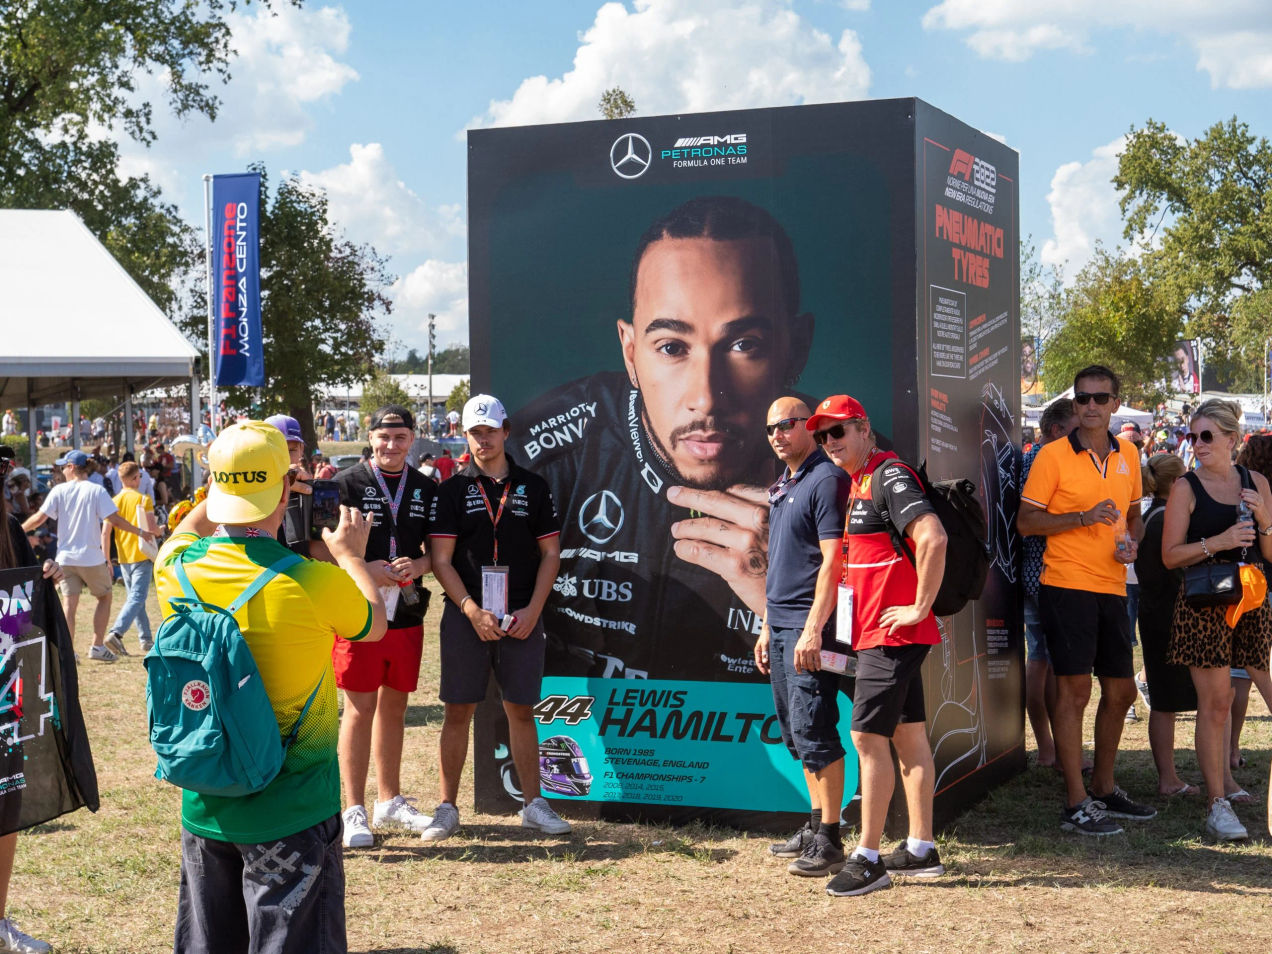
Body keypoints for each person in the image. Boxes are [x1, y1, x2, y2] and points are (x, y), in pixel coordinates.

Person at [512, 195, 813, 680]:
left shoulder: (849, 467)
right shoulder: (547, 455)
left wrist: (796, 592)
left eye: (744, 345)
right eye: (672, 347)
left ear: (795, 347)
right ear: (630, 352)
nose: (706, 398)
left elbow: (889, 686)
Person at [154, 420, 387, 954]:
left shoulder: (177, 567)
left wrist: (232, 487)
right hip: (294, 807)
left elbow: (188, 529)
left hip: (206, 798)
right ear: (287, 487)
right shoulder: (311, 580)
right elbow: (373, 624)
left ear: (215, 487)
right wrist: (350, 555)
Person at [809, 394, 947, 897]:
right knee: (907, 739)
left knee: (867, 738)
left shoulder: (889, 475)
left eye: (839, 431)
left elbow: (932, 537)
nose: (830, 442)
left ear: (865, 429)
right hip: (876, 632)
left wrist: (918, 606)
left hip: (892, 634)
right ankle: (921, 848)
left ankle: (868, 858)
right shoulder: (860, 480)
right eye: (822, 435)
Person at [1017, 365, 1154, 836]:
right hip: (1067, 585)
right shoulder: (1052, 456)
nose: (1091, 406)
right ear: (1074, 405)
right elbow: (1027, 523)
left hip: (1114, 586)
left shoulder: (1130, 454)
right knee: (1075, 692)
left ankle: (1103, 786)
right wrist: (1081, 517)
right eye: (1083, 399)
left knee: (1122, 691)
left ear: (1116, 403)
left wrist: (1131, 541)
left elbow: (1133, 514)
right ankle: (1075, 801)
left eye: (1100, 398)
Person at [425, 394, 567, 841]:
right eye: (474, 432)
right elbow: (441, 560)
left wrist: (533, 611)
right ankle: (447, 807)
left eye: (489, 430)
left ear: (506, 430)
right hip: (467, 615)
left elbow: (551, 554)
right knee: (457, 710)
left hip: (522, 615)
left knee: (521, 710)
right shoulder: (451, 490)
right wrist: (470, 609)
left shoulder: (534, 486)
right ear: (464, 436)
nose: (482, 439)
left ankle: (533, 804)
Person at [1161, 398, 1272, 841]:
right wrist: (1218, 540)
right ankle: (1216, 803)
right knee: (1217, 702)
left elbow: (1270, 553)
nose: (1198, 444)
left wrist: (1264, 520)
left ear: (1232, 439)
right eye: (1193, 436)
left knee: (1248, 688)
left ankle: (1225, 785)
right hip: (1205, 603)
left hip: (1251, 598)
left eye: (1207, 436)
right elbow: (1170, 556)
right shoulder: (1186, 488)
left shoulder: (1257, 481)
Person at [753, 397, 851, 878]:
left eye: (787, 424)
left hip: (814, 626)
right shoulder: (785, 484)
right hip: (782, 624)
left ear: (809, 427)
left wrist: (813, 626)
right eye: (771, 427)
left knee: (815, 730)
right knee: (796, 734)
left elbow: (834, 560)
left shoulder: (826, 478)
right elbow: (781, 565)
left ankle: (831, 839)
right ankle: (815, 827)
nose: (777, 434)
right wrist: (768, 625)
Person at [331, 405, 436, 846]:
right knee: (358, 708)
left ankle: (388, 799)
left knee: (396, 707)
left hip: (407, 610)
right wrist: (364, 566)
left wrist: (420, 564)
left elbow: (439, 553)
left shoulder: (428, 487)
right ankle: (353, 809)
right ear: (369, 437)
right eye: (384, 437)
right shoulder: (345, 484)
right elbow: (328, 546)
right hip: (361, 610)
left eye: (400, 438)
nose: (391, 446)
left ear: (412, 439)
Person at [0, 466, 64, 953]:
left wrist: (42, 581)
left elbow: (19, 621)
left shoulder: (9, 533)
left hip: (6, 692)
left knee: (6, 805)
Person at [21, 450, 153, 661]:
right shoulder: (96, 490)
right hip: (91, 557)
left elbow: (38, 518)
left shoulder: (59, 491)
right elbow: (114, 520)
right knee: (104, 597)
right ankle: (97, 646)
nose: (61, 470)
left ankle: (68, 652)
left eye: (63, 466)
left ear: (72, 467)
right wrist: (140, 532)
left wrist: (17, 531)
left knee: (69, 605)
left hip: (64, 558)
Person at [1133, 454, 1200, 797]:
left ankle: (1169, 778)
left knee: (1165, 700)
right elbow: (1175, 567)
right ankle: (1168, 780)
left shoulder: (1151, 515)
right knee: (1165, 701)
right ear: (1176, 484)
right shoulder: (1162, 520)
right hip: (1169, 615)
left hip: (1157, 612)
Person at [1020, 398, 1078, 769]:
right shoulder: (1045, 460)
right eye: (1076, 430)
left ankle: (1050, 748)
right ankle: (1054, 749)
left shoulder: (1031, 459)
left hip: (1033, 571)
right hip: (1046, 572)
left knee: (1041, 658)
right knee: (1052, 663)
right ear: (1057, 430)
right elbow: (1033, 520)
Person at [101, 462, 160, 656]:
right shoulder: (144, 499)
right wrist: (163, 529)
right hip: (142, 554)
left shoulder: (114, 500)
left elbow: (105, 533)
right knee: (137, 597)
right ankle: (116, 633)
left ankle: (146, 639)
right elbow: (152, 529)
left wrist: (107, 558)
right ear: (136, 478)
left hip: (124, 556)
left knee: (136, 599)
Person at [264, 414, 315, 558]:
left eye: (291, 450)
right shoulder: (252, 490)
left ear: (301, 450)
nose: (284, 457)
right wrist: (273, 486)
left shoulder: (307, 488)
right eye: (276, 450)